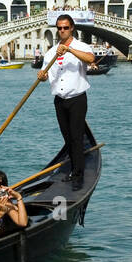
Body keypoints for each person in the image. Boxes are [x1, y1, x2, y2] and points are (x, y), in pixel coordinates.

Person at [37, 14, 94, 190]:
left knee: (76, 137)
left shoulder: (80, 46)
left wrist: (69, 50)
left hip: (77, 99)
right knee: (68, 137)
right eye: (59, 28)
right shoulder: (50, 52)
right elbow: (45, 75)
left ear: (72, 29)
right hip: (59, 101)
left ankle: (78, 172)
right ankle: (74, 164)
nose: (62, 31)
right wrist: (42, 76)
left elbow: (90, 59)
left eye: (65, 28)